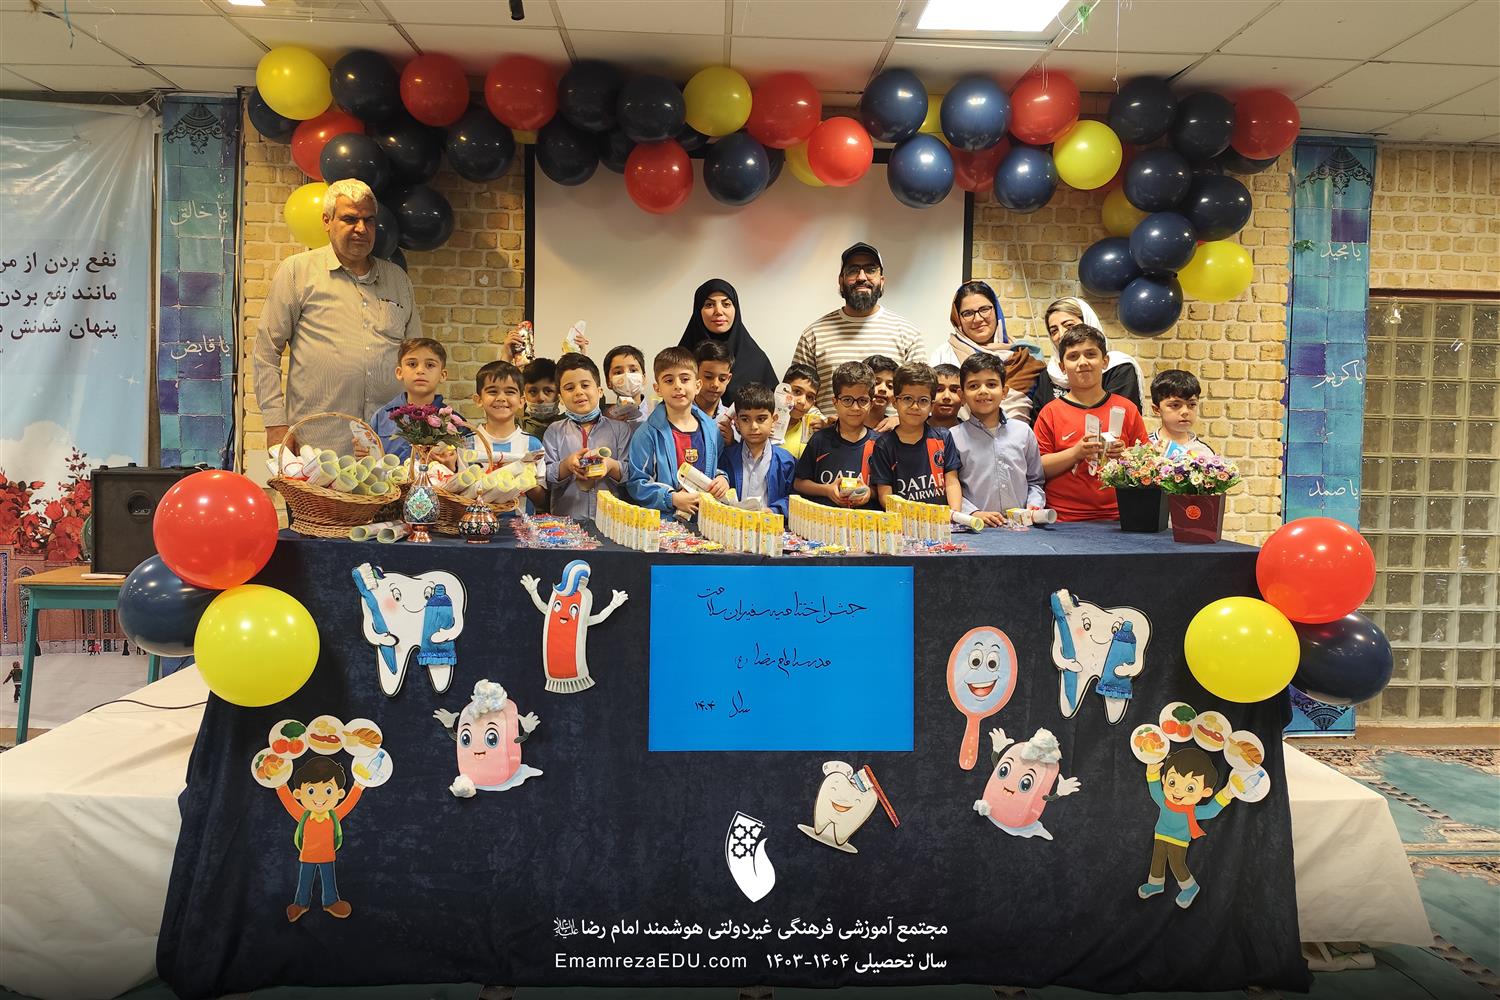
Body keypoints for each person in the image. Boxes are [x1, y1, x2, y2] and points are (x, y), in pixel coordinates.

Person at [254, 179, 420, 450]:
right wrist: (275, 424)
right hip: (316, 444)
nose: (361, 228)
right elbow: (266, 351)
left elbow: (417, 357)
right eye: (350, 219)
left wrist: (420, 427)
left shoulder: (397, 280)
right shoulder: (297, 272)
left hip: (388, 445)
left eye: (369, 220)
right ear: (326, 220)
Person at [791, 243, 926, 413]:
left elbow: (922, 394)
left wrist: (898, 421)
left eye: (870, 270)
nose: (862, 277)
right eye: (853, 270)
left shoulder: (908, 334)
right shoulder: (813, 335)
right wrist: (825, 423)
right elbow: (794, 394)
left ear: (882, 281)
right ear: (841, 281)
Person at [1034, 325, 1149, 522]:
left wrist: (1125, 456)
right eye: (1073, 357)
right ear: (1062, 367)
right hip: (1062, 519)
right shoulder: (1050, 413)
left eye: (1090, 354)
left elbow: (1148, 463)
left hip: (1120, 517)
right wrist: (1075, 453)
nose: (1083, 362)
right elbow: (1038, 468)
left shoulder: (1127, 409)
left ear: (1105, 361)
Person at [626, 347, 729, 517]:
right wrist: (671, 498)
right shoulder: (647, 434)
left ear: (697, 386)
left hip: (707, 521)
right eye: (669, 380)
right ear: (658, 389)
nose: (678, 386)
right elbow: (637, 483)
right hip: (665, 524)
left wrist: (722, 479)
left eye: (685, 379)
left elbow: (717, 467)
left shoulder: (712, 430)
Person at [950, 353, 1047, 525]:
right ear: (962, 395)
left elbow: (1035, 481)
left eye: (991, 384)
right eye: (973, 386)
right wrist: (972, 513)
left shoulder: (1023, 432)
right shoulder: (952, 437)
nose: (983, 391)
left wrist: (1034, 505)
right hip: (976, 528)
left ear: (1004, 392)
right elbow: (950, 486)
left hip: (1022, 528)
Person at [931, 280, 1045, 423]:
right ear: (958, 319)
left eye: (984, 309)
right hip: (957, 435)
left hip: (1020, 436)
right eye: (967, 313)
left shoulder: (1026, 356)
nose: (978, 319)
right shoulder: (944, 355)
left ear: (996, 311)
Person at [1140, 746, 1234, 909]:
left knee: (1177, 864)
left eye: (1190, 788)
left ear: (1205, 792)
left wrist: (1225, 795)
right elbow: (1155, 791)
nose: (1177, 790)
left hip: (1179, 840)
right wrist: (1152, 773)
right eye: (1172, 782)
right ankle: (1155, 883)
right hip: (1160, 834)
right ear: (1164, 780)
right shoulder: (1164, 801)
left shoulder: (1192, 811)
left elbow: (1210, 811)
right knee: (1157, 858)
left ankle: (1190, 887)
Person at [276, 756, 368, 922]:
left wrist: (358, 786)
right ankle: (301, 903)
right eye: (311, 791)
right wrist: (280, 785)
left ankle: (331, 902)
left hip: (327, 855)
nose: (319, 798)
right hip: (307, 856)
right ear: (299, 793)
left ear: (339, 793)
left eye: (328, 791)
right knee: (304, 881)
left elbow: (348, 804)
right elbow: (289, 803)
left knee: (329, 880)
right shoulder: (304, 815)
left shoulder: (334, 815)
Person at [542, 354, 632, 521]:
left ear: (599, 391)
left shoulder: (620, 429)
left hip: (611, 522)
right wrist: (566, 465)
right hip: (566, 523)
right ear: (560, 398)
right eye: (569, 388)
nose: (579, 392)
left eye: (585, 385)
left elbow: (631, 473)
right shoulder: (554, 431)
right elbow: (545, 476)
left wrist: (611, 465)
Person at [1031, 296, 1145, 421]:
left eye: (1069, 325)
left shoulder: (1119, 368)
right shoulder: (1049, 374)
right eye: (1054, 331)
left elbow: (1119, 420)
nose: (1062, 334)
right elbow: (1039, 423)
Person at [869, 363, 962, 510]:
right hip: (903, 520)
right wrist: (913, 517)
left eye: (923, 400)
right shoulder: (883, 445)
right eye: (907, 398)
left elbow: (952, 482)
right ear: (895, 402)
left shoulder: (943, 438)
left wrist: (954, 513)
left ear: (932, 405)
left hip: (942, 520)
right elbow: (885, 495)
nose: (915, 406)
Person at [792, 361, 879, 510]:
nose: (855, 407)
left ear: (871, 403)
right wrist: (826, 490)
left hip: (865, 522)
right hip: (823, 520)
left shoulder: (880, 444)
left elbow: (887, 489)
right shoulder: (819, 440)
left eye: (862, 401)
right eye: (847, 400)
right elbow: (799, 483)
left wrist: (869, 493)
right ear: (835, 402)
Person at [677, 278, 777, 407]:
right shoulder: (682, 359)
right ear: (698, 310)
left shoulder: (756, 360)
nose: (719, 311)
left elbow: (771, 410)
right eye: (709, 305)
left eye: (726, 304)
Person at [471, 360, 546, 514]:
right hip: (477, 522)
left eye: (510, 392)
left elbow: (541, 498)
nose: (501, 398)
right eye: (492, 391)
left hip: (522, 525)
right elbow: (459, 494)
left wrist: (525, 478)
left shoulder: (533, 445)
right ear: (478, 400)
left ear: (521, 401)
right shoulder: (467, 443)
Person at [718, 382, 795, 517]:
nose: (753, 426)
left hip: (770, 525)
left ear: (774, 420)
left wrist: (774, 510)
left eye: (761, 419)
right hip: (731, 524)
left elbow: (794, 498)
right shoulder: (726, 457)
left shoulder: (787, 462)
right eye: (745, 419)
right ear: (736, 422)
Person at [370, 338, 453, 462]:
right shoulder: (381, 417)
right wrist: (365, 453)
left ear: (442, 375)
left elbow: (463, 466)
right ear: (399, 372)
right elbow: (373, 460)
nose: (420, 371)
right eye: (412, 364)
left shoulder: (455, 421)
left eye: (430, 365)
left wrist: (453, 465)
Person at [1148, 369, 1215, 457]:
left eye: (1192, 404)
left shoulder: (1205, 453)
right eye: (1175, 405)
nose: (1185, 411)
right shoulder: (1145, 447)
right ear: (1156, 409)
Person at [779, 362, 826, 460]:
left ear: (813, 403)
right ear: (783, 389)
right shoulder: (760, 420)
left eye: (809, 397)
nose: (802, 401)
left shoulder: (809, 434)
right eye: (797, 391)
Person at [693, 340, 736, 446]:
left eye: (722, 378)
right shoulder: (679, 414)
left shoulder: (734, 422)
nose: (715, 384)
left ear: (728, 379)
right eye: (708, 377)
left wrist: (732, 443)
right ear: (695, 374)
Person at [603, 344, 652, 427]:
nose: (627, 376)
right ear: (608, 382)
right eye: (618, 372)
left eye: (633, 370)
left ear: (644, 378)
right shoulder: (605, 421)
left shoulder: (658, 413)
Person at [520, 358, 562, 438]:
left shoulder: (570, 426)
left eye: (548, 391)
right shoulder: (516, 427)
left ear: (559, 393)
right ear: (524, 394)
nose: (540, 398)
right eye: (533, 391)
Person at [863, 354, 899, 432]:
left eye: (890, 386)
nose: (883, 389)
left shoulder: (897, 429)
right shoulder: (843, 426)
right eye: (876, 383)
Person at [929, 363, 963, 429]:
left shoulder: (972, 432)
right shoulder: (913, 430)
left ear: (964, 397)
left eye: (954, 390)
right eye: (938, 390)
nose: (946, 396)